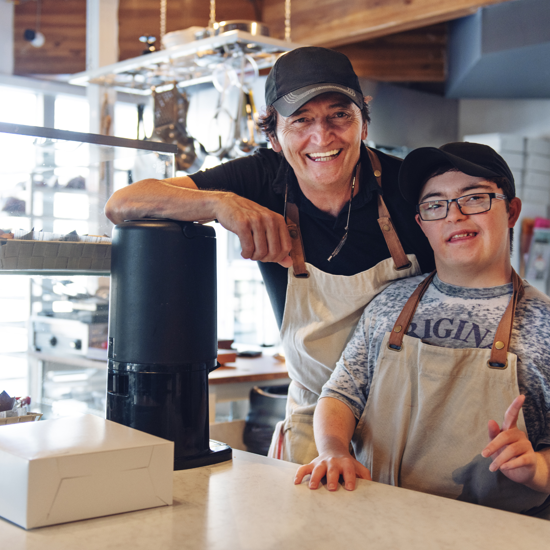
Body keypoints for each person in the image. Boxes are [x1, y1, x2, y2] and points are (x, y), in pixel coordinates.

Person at [104, 47, 435, 465]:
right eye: (301, 120)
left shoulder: (412, 186)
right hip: (313, 422)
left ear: (363, 124)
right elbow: (123, 202)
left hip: (408, 419)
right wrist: (220, 203)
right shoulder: (260, 178)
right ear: (275, 136)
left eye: (339, 115)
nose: (322, 136)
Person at [294, 141, 550, 517]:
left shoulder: (543, 322)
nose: (455, 215)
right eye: (435, 205)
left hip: (493, 535)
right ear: (422, 224)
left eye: (475, 198)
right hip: (377, 523)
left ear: (511, 211)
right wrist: (333, 450)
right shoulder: (388, 305)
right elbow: (340, 395)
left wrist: (538, 469)